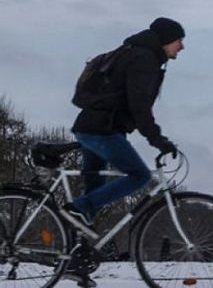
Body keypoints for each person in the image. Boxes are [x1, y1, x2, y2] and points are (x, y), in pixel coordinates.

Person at [60, 17, 184, 239]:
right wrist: (158, 140)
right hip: (103, 130)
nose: (182, 46)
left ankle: (78, 250)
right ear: (165, 40)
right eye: (178, 40)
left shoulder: (131, 52)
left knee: (95, 187)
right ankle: (75, 211)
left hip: (91, 126)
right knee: (139, 175)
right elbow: (139, 107)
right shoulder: (144, 59)